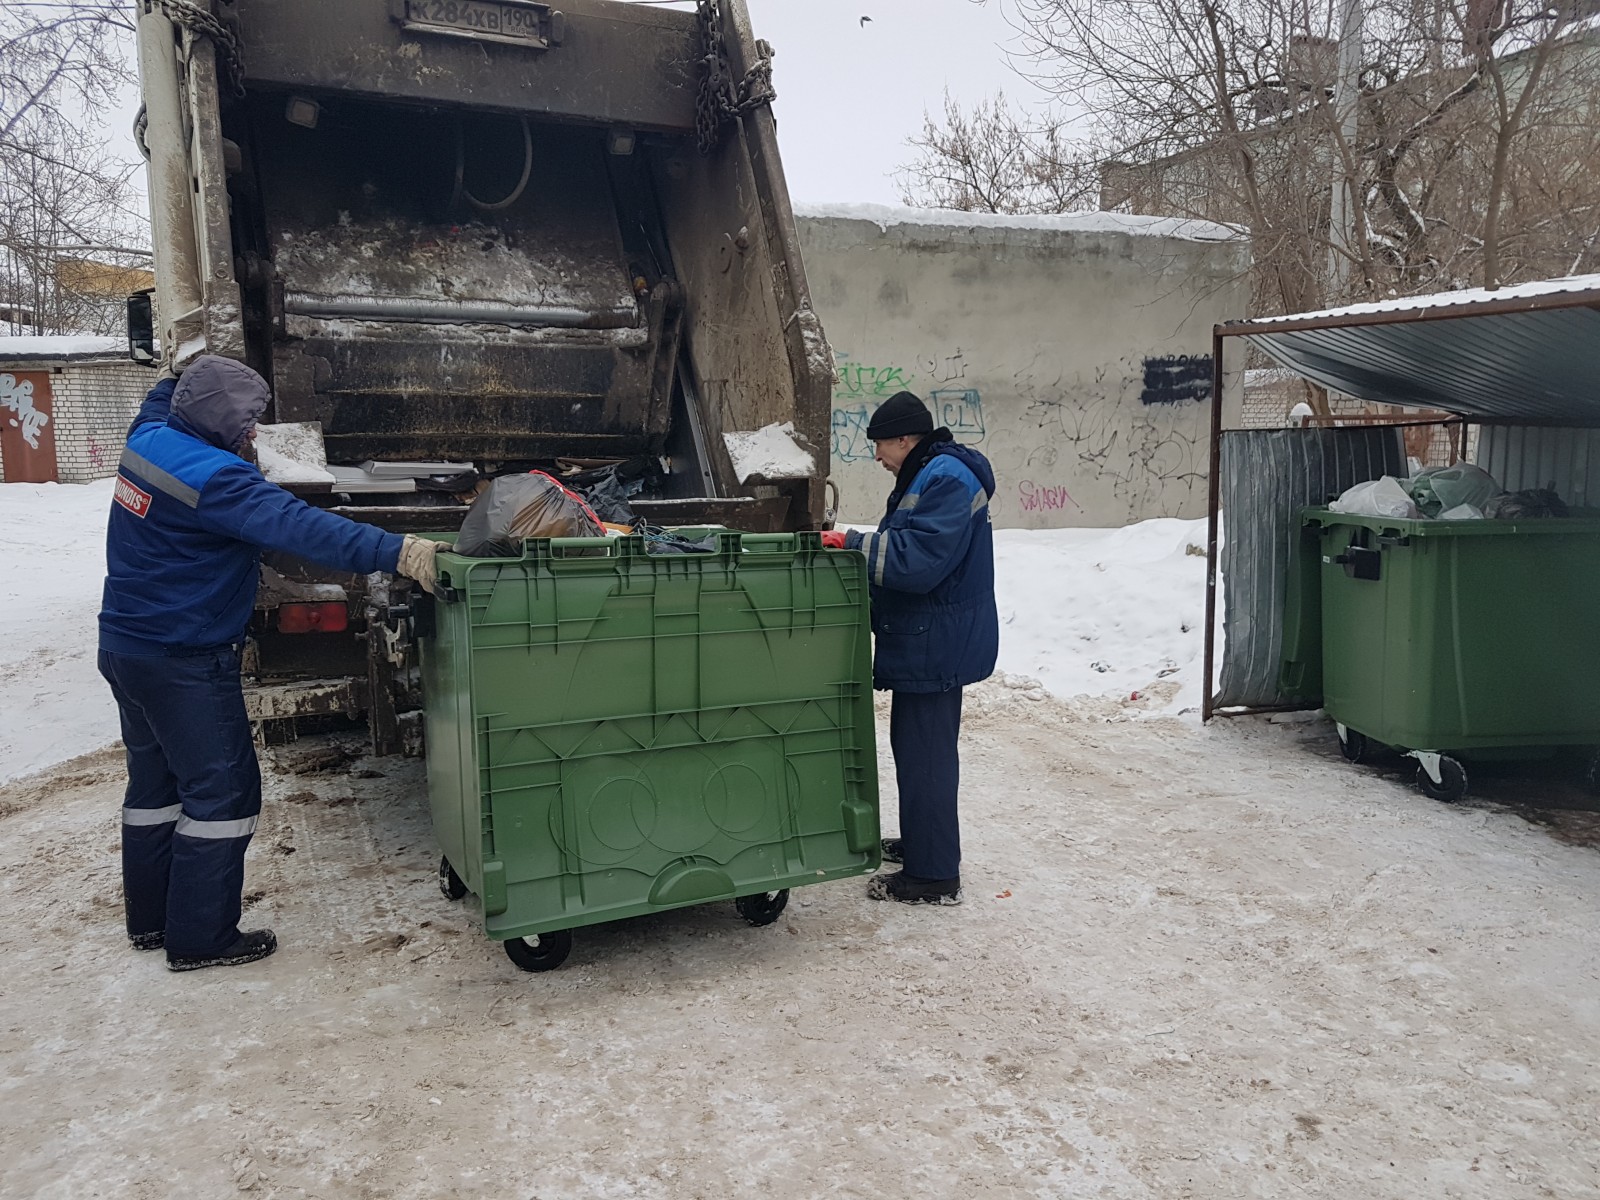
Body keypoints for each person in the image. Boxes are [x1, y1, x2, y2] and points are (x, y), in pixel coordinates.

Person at [99, 355, 445, 971]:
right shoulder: (217, 479)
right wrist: (401, 551)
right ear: (216, 422)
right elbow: (302, 527)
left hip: (126, 647)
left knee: (156, 789)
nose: (254, 433)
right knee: (223, 792)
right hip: (185, 657)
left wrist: (184, 374)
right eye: (247, 421)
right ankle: (202, 938)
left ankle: (152, 921)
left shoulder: (149, 439)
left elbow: (160, 398)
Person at [821, 391, 997, 905]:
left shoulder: (944, 478)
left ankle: (933, 875)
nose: (876, 456)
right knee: (920, 751)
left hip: (936, 641)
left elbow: (917, 562)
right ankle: (926, 844)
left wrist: (851, 543)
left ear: (905, 439)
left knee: (926, 757)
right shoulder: (929, 473)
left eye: (880, 445)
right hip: (933, 636)